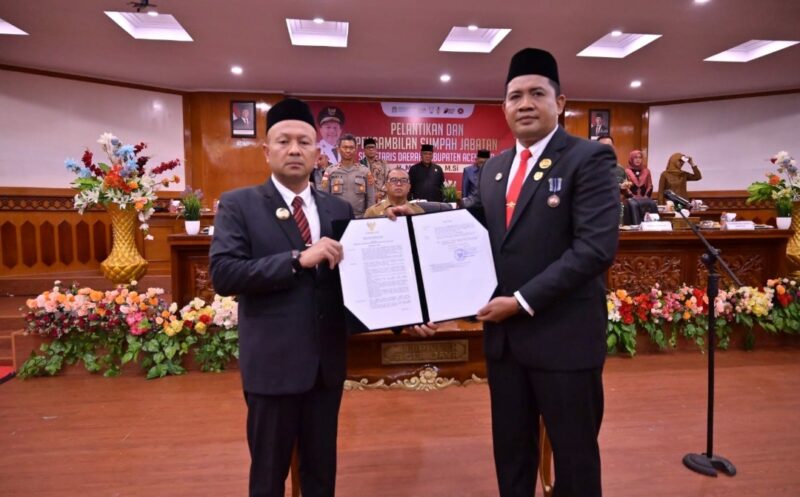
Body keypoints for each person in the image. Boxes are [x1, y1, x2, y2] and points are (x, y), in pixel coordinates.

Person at [392, 47, 619, 497]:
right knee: (511, 456)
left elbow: (594, 250)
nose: (526, 103)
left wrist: (521, 301)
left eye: (538, 93)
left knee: (574, 459)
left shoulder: (588, 159)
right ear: (504, 108)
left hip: (564, 341)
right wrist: (420, 210)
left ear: (561, 102)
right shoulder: (495, 168)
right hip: (506, 347)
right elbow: (477, 218)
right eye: (516, 96)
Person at [209, 98, 353, 497]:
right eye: (284, 141)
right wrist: (296, 259)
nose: (294, 149)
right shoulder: (239, 205)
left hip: (325, 369)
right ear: (266, 150)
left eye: (304, 142)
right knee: (268, 475)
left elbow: (356, 282)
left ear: (317, 151)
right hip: (273, 368)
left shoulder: (338, 208)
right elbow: (224, 274)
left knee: (321, 474)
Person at [321, 134, 375, 217]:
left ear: (356, 149)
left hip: (359, 218)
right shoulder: (330, 171)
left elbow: (371, 198)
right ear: (338, 149)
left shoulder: (365, 171)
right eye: (345, 147)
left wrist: (368, 218)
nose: (348, 150)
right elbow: (324, 198)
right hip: (337, 218)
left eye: (351, 148)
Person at [360, 137, 389, 202]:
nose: (371, 149)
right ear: (364, 150)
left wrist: (381, 193)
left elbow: (389, 180)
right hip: (365, 200)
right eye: (368, 148)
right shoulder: (359, 165)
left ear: (376, 149)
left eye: (373, 147)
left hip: (381, 199)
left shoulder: (383, 164)